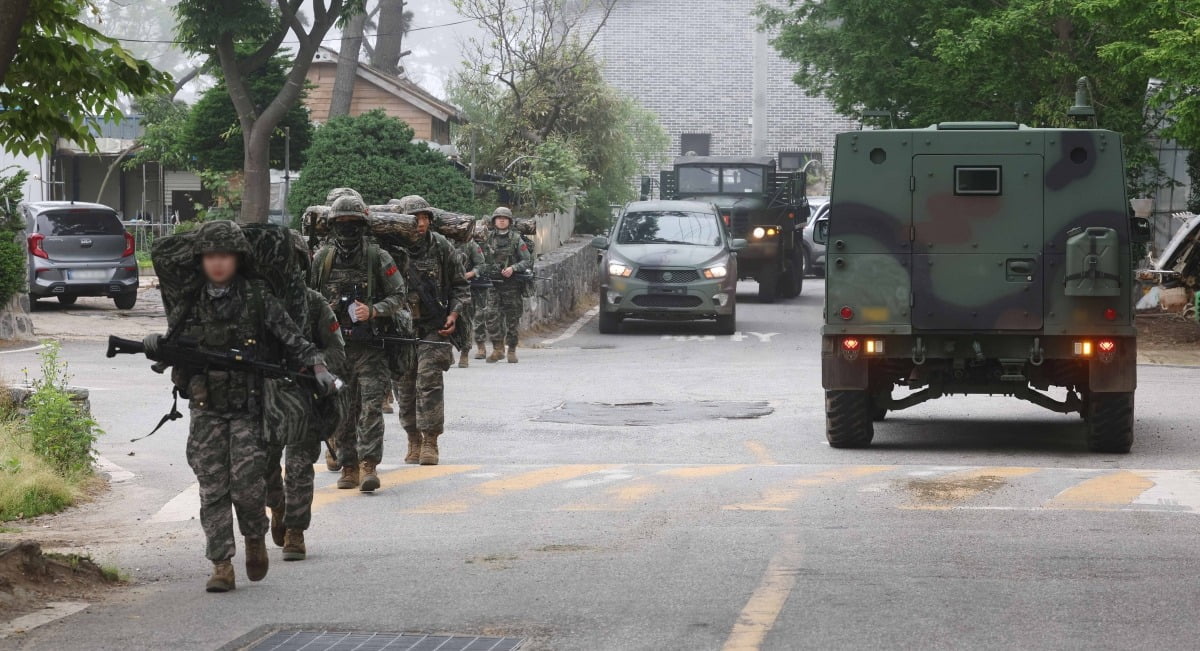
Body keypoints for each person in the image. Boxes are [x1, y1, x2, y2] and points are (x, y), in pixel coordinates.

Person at [142, 220, 336, 593]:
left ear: (238, 259)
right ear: (200, 260)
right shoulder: (190, 299)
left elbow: (292, 338)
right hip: (205, 406)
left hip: (248, 408)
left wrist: (318, 365)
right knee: (211, 488)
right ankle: (221, 563)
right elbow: (173, 342)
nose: (217, 264)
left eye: (225, 255)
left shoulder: (257, 296)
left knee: (248, 488)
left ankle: (254, 538)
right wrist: (157, 344)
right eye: (210, 256)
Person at [310, 194, 408, 492]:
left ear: (363, 225)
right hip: (337, 349)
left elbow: (399, 295)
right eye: (341, 223)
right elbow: (309, 299)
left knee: (370, 409)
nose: (347, 229)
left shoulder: (378, 257)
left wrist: (374, 310)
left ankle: (368, 465)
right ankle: (348, 465)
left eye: (353, 223)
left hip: (370, 348)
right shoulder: (322, 260)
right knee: (342, 410)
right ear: (332, 226)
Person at [264, 233, 346, 561]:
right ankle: (278, 505)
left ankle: (296, 530)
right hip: (265, 396)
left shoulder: (313, 303)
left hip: (303, 397)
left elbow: (337, 350)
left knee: (298, 465)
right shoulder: (257, 303)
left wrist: (317, 367)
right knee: (265, 465)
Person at [393, 195, 470, 465]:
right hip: (400, 329)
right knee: (404, 384)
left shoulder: (441, 247)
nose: (421, 223)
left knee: (429, 382)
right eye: (415, 218)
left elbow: (461, 286)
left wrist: (454, 313)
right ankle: (412, 438)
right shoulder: (391, 248)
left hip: (432, 327)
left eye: (425, 217)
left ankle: (430, 441)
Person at [481, 207, 532, 363]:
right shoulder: (487, 239)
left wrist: (513, 268)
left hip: (511, 286)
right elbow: (480, 259)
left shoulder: (516, 239)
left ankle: (511, 349)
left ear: (509, 221)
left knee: (512, 319)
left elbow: (527, 260)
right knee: (490, 316)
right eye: (498, 218)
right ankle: (498, 348)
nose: (501, 220)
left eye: (505, 218)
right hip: (493, 285)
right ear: (494, 221)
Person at [456, 233, 486, 368]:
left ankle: (465, 352)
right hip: (445, 287)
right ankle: (446, 352)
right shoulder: (442, 241)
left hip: (464, 288)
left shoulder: (470, 244)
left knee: (465, 320)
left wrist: (470, 274)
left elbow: (481, 264)